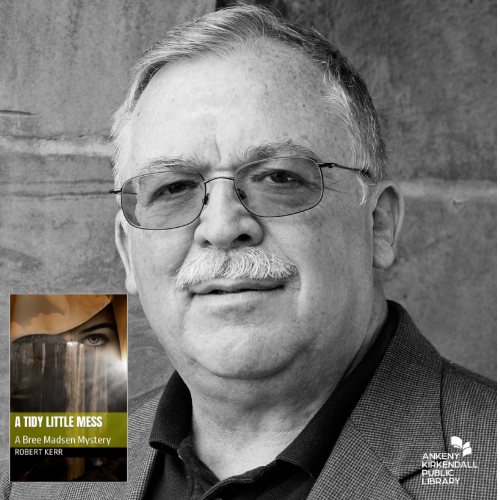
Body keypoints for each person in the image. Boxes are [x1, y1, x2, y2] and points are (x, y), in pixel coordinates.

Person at [3, 5, 495, 499]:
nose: (221, 227)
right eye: (173, 188)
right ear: (129, 254)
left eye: (279, 178)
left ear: (379, 225)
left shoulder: (483, 466)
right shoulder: (56, 461)